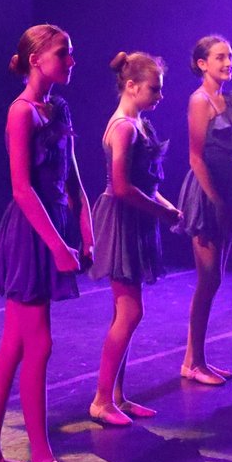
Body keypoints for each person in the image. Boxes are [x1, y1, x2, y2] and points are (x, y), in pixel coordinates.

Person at [0, 24, 92, 462]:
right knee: (36, 345)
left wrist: (84, 223)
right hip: (30, 236)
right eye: (64, 53)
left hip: (54, 230)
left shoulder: (58, 108)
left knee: (14, 348)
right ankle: (41, 459)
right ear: (36, 58)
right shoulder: (20, 113)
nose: (70, 60)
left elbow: (74, 176)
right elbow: (22, 189)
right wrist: (57, 245)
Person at [88, 51, 182, 426]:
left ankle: (117, 396)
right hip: (122, 219)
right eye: (154, 89)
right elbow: (123, 187)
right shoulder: (124, 127)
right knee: (130, 311)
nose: (159, 96)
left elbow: (146, 183)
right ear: (131, 86)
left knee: (124, 312)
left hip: (137, 217)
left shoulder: (139, 123)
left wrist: (170, 207)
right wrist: (162, 212)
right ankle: (100, 399)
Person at [174, 34, 232, 384]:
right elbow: (195, 155)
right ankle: (194, 363)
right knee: (208, 278)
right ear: (202, 63)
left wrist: (231, 198)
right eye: (220, 57)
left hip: (228, 187)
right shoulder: (199, 100)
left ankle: (195, 359)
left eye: (230, 56)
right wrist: (216, 200)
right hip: (206, 192)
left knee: (215, 278)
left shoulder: (226, 98)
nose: (228, 62)